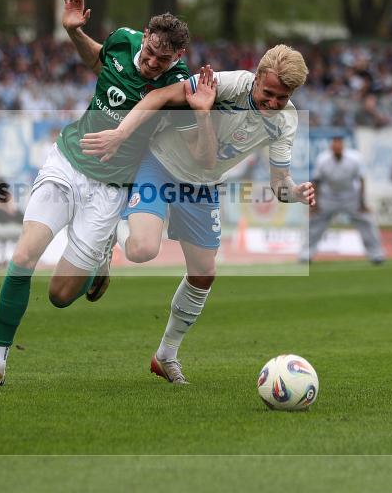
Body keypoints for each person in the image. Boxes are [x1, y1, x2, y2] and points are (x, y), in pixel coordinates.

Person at [0, 0, 191, 388]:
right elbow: (98, 61)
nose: (154, 62)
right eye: (152, 53)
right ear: (144, 36)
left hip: (110, 190)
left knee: (60, 295)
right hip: (67, 162)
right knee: (24, 256)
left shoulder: (178, 84)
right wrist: (72, 31)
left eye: (165, 58)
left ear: (178, 57)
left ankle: (102, 256)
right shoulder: (123, 40)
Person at [79, 46, 315, 384]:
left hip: (203, 185)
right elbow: (160, 95)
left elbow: (279, 185)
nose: (274, 103)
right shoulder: (225, 84)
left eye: (283, 97)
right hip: (160, 163)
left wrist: (295, 193)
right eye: (269, 93)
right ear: (257, 77)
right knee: (143, 250)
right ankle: (107, 242)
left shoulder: (285, 122)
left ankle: (165, 356)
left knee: (204, 273)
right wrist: (121, 134)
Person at [298, 136, 385, 264]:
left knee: (367, 222)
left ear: (343, 147)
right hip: (329, 196)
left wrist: (362, 203)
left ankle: (376, 255)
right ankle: (306, 254)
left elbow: (361, 180)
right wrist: (314, 203)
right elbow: (316, 182)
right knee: (314, 223)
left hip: (350, 196)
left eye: (339, 146)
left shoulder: (355, 158)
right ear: (331, 148)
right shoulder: (323, 159)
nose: (337, 148)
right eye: (334, 146)